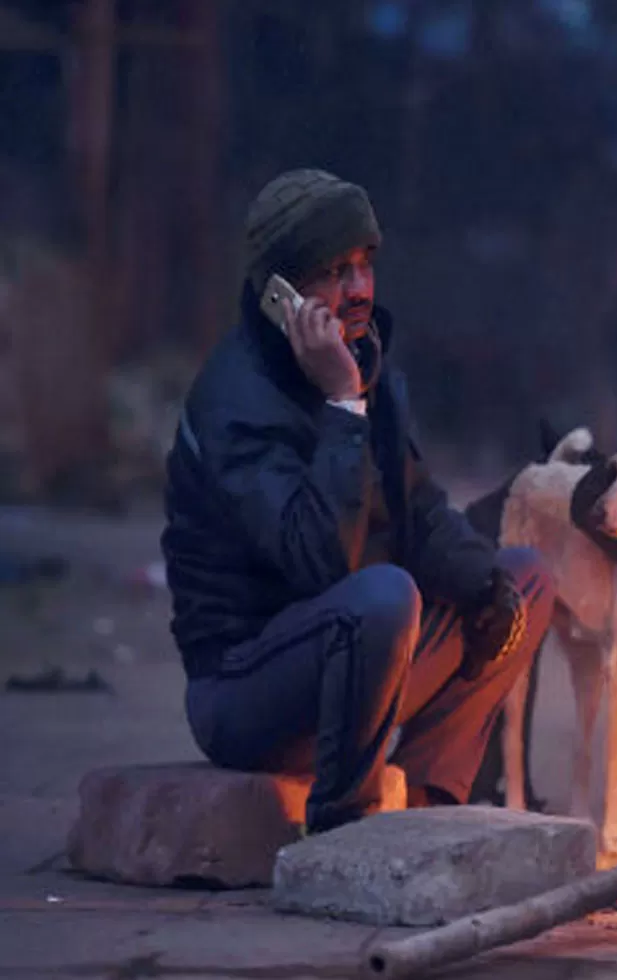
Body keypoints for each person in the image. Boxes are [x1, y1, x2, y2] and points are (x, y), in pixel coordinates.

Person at [161, 169, 555, 835]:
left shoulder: (364, 362)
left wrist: (485, 586)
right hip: (249, 693)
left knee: (525, 577)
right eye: (333, 272)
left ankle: (427, 810)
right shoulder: (239, 401)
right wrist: (343, 404)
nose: (359, 290)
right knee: (383, 596)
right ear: (280, 293)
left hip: (358, 668)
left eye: (365, 264)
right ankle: (345, 827)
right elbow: (318, 563)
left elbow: (420, 511)